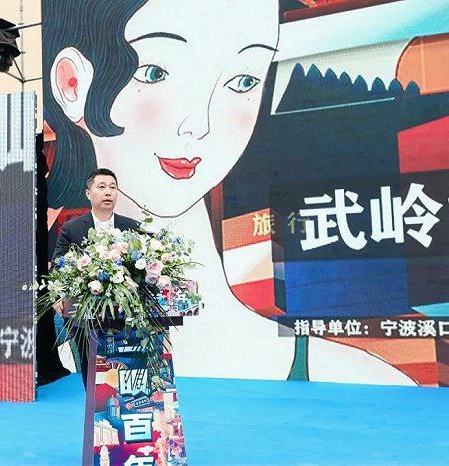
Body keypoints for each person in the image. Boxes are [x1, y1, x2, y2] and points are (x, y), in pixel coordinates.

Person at [43, 0, 415, 384]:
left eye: (244, 81)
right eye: (155, 73)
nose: (198, 125)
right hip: (101, 346)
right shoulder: (76, 233)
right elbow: (61, 283)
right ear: (73, 83)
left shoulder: (351, 371)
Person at [51, 168, 141, 387]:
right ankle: (94, 403)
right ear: (88, 193)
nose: (108, 192)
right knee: (91, 368)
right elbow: (58, 266)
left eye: (112, 187)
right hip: (84, 312)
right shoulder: (72, 228)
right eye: (101, 187)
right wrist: (57, 296)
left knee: (124, 364)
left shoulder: (131, 227)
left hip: (123, 313)